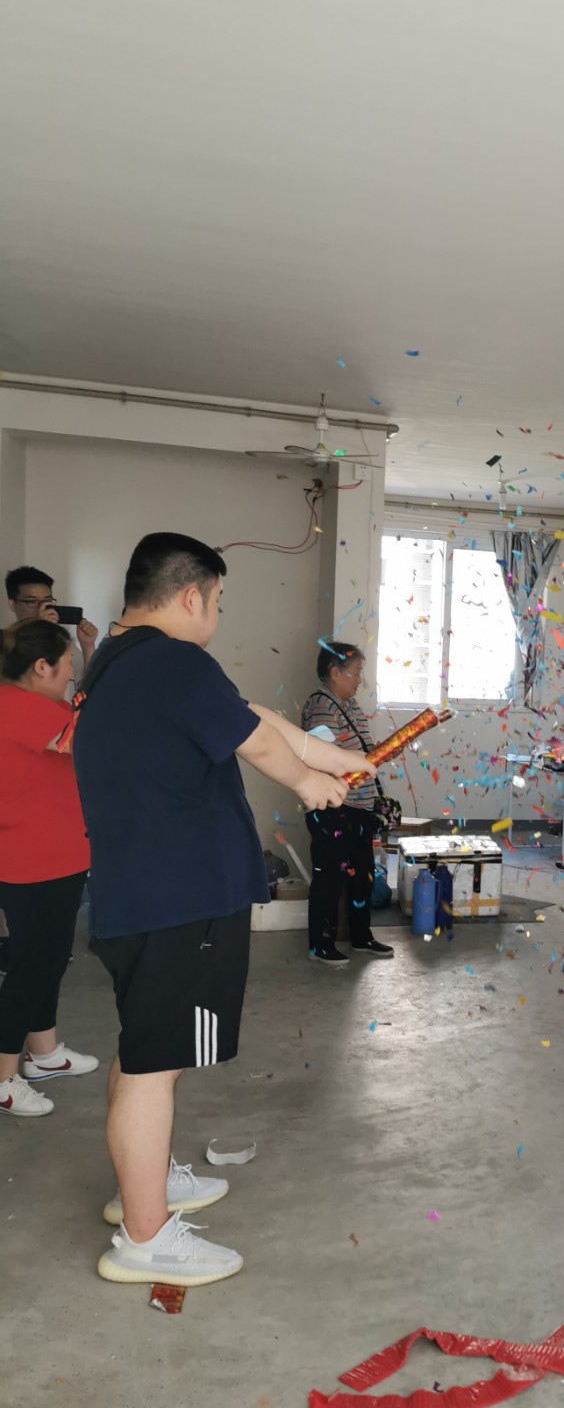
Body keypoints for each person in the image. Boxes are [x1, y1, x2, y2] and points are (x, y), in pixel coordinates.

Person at [72, 533, 373, 1289]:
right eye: (218, 601)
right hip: (180, 899)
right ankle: (146, 1237)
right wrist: (307, 784)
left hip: (144, 894)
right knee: (156, 1065)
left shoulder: (123, 660)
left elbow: (249, 716)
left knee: (145, 1050)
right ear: (190, 596)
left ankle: (143, 1187)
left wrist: (327, 756)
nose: (216, 614)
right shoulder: (174, 662)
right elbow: (255, 743)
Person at [0, 620, 99, 1116]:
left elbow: (83, 718)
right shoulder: (20, 708)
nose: (69, 674)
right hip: (35, 860)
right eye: (66, 665)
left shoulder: (38, 703)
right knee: (33, 966)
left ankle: (43, 1053)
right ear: (41, 667)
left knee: (48, 958)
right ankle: (2, 1078)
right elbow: (92, 738)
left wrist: (91, 654)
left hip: (52, 856)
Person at [300, 641, 395, 965]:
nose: (359, 680)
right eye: (354, 673)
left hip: (361, 807)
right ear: (335, 672)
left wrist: (380, 753)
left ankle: (361, 936)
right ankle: (320, 944)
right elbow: (326, 759)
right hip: (334, 808)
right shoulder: (321, 706)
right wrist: (367, 758)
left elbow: (358, 754)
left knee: (362, 875)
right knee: (329, 877)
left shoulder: (351, 706)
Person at [4, 564, 99, 668]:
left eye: (47, 601)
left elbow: (88, 678)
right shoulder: (6, 644)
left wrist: (87, 646)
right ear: (12, 604)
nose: (41, 608)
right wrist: (41, 630)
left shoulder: (61, 640)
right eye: (32, 601)